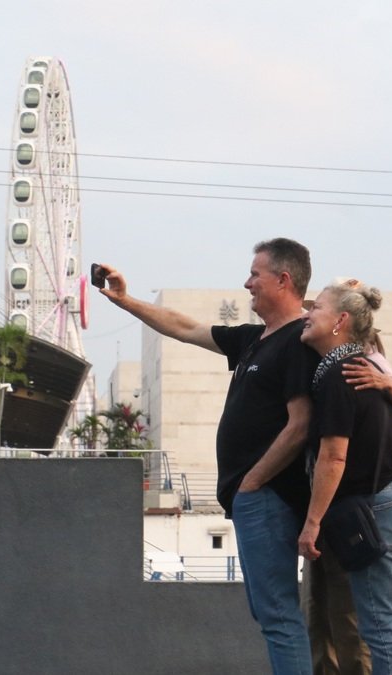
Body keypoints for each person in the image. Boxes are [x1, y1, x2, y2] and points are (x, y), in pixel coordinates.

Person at [97, 238, 318, 675]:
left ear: (283, 279)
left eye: (256, 274)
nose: (247, 282)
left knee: (277, 615)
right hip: (252, 500)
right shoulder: (256, 339)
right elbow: (184, 327)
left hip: (268, 498)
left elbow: (301, 425)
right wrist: (125, 301)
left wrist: (253, 482)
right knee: (269, 614)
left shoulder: (297, 340)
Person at [298, 281, 392, 674]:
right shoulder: (363, 363)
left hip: (378, 507)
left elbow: (333, 457)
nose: (307, 314)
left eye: (315, 308)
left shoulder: (342, 373)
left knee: (380, 626)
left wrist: (313, 521)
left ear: (340, 321)